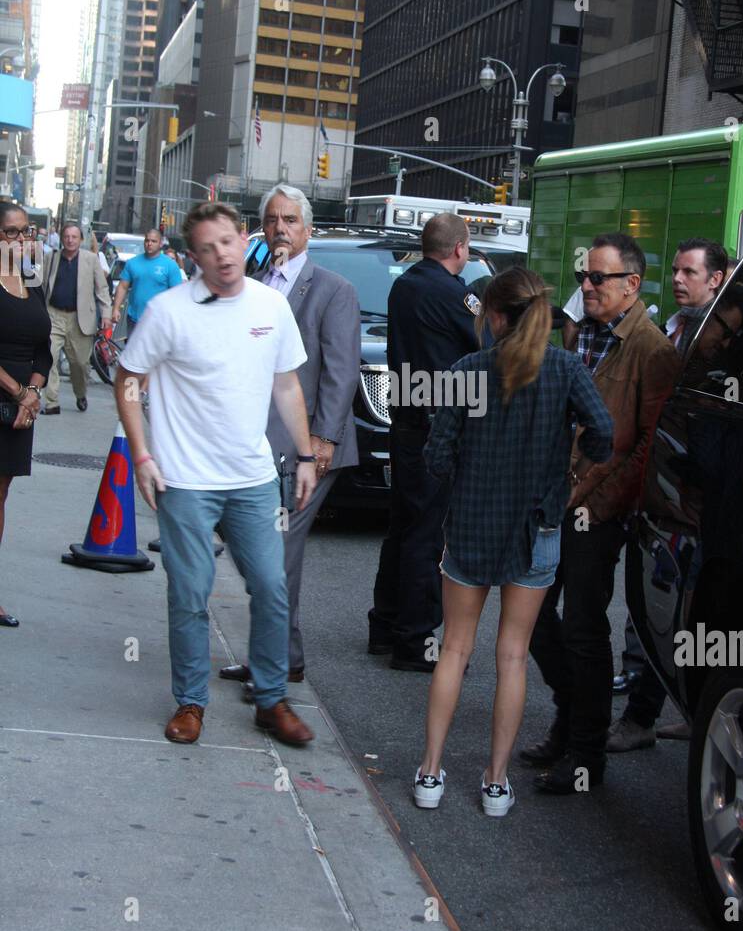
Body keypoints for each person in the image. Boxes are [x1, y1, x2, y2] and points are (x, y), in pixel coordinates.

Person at [114, 201, 318, 748]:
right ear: (194, 255)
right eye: (207, 248)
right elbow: (129, 379)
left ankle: (271, 701)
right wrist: (142, 455)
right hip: (184, 480)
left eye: (227, 242)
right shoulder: (168, 312)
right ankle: (190, 702)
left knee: (272, 588)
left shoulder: (272, 306)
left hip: (252, 478)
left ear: (243, 238)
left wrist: (304, 456)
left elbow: (286, 385)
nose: (221, 255)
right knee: (189, 593)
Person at [415, 268, 613, 815]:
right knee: (514, 657)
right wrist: (566, 475)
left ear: (494, 315)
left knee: (453, 649)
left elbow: (435, 457)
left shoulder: (467, 371)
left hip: (474, 523)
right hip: (538, 525)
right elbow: (604, 435)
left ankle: (430, 773)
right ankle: (496, 783)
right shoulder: (566, 370)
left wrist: (467, 473)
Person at [522, 232, 681, 793]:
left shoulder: (653, 349)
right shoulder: (578, 331)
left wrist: (595, 503)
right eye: (583, 277)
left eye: (597, 278)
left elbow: (647, 445)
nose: (585, 287)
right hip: (550, 499)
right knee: (535, 618)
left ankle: (585, 753)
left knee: (586, 630)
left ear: (631, 285)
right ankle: (570, 715)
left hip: (598, 511)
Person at [224, 184, 359, 686]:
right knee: (258, 550)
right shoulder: (254, 283)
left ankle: (274, 665)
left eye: (290, 220)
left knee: (277, 553)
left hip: (306, 449)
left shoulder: (333, 289)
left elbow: (341, 373)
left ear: (308, 229)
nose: (280, 228)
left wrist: (320, 443)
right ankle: (283, 655)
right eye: (272, 219)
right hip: (256, 446)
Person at [608, 237, 727, 747]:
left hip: (691, 498)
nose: (679, 279)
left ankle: (643, 717)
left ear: (716, 279)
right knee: (661, 608)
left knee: (676, 609)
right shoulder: (674, 328)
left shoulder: (718, 339)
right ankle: (666, 709)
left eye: (690, 273)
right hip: (663, 489)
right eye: (676, 271)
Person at [368, 213, 482, 672]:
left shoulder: (405, 285)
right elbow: (486, 342)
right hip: (440, 426)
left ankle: (386, 623)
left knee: (403, 525)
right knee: (427, 532)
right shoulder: (456, 294)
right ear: (459, 249)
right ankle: (414, 641)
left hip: (407, 420)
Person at [0, 201, 52, 627]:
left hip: (20, 410)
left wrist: (33, 393)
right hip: (7, 397)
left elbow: (43, 347)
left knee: (0, 497)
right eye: (11, 232)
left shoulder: (32, 278)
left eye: (25, 232)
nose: (20, 240)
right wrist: (19, 392)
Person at [42, 222, 112, 414]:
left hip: (79, 318)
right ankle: (51, 402)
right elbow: (41, 286)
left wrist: (106, 314)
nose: (70, 240)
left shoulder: (91, 259)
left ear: (81, 239)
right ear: (61, 238)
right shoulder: (51, 257)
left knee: (80, 364)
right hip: (53, 315)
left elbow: (102, 289)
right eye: (67, 236)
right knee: (48, 358)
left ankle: (80, 394)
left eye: (74, 237)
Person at [111, 227, 183, 337]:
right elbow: (123, 287)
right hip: (134, 319)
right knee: (134, 353)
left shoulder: (170, 265)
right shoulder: (132, 263)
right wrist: (116, 309)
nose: (149, 244)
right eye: (147, 240)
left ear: (160, 244)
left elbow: (177, 293)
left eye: (153, 241)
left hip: (159, 321)